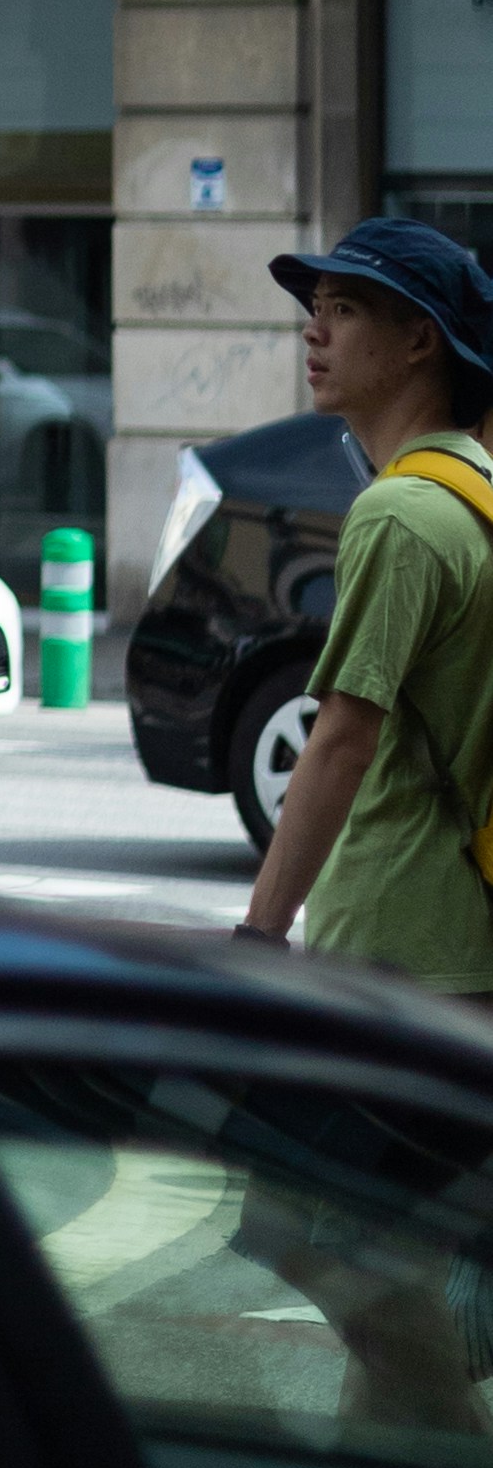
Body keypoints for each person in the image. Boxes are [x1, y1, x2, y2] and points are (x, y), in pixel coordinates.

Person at [240, 219, 493, 988]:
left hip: (394, 950)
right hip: (461, 939)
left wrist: (257, 936)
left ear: (420, 340)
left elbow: (342, 739)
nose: (313, 331)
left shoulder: (399, 515)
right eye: (315, 305)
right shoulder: (474, 489)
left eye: (345, 309)